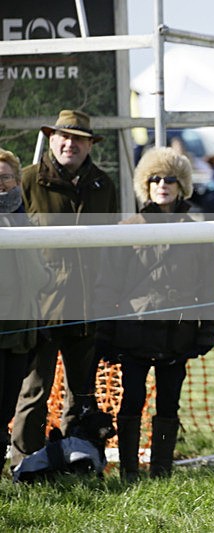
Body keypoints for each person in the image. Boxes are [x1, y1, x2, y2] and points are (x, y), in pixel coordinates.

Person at [93, 147, 214, 481]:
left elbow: (210, 289)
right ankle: (128, 473)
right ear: (145, 185)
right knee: (131, 403)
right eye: (154, 179)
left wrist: (206, 332)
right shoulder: (128, 228)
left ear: (182, 186)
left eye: (169, 179)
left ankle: (162, 473)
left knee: (168, 406)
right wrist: (105, 333)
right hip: (133, 335)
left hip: (177, 336)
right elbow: (108, 285)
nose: (162, 184)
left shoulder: (199, 232)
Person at [10, 110, 117, 472]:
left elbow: (113, 245)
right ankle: (26, 464)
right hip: (39, 307)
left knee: (82, 394)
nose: (70, 144)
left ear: (89, 145)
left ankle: (79, 460)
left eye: (78, 139)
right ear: (52, 139)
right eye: (63, 137)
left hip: (88, 307)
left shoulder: (103, 185)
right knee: (34, 391)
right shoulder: (27, 181)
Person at [0, 148, 54, 473]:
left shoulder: (26, 221)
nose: (0, 184)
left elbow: (40, 277)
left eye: (5, 176)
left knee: (5, 411)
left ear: (17, 180)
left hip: (20, 336)